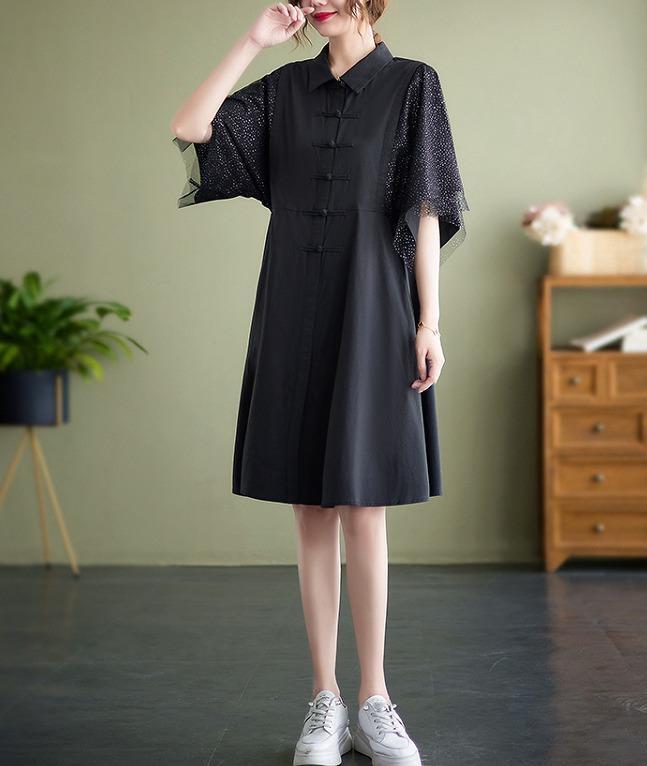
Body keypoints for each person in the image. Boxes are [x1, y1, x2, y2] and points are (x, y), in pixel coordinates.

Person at [171, 2, 469, 764]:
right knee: (310, 506)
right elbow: (191, 127)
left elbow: (425, 207)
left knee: (363, 504)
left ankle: (374, 701)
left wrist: (428, 322)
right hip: (293, 309)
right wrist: (252, 40)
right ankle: (324, 700)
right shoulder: (282, 92)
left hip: (373, 307)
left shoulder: (412, 85)